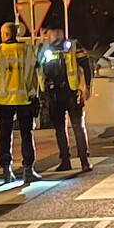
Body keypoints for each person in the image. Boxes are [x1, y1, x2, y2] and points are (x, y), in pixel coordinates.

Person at [0, 22, 40, 184]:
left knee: (6, 135)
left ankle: (7, 170)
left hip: (3, 101)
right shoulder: (28, 50)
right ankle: (28, 170)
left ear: (5, 34)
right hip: (25, 100)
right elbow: (36, 76)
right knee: (26, 135)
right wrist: (35, 95)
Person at [39, 24, 93, 172]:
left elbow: (86, 66)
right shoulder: (45, 49)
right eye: (50, 31)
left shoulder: (73, 45)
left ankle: (84, 160)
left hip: (72, 92)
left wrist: (87, 87)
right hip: (54, 93)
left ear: (62, 32)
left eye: (57, 31)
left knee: (77, 127)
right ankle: (65, 161)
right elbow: (38, 67)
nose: (54, 34)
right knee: (59, 129)